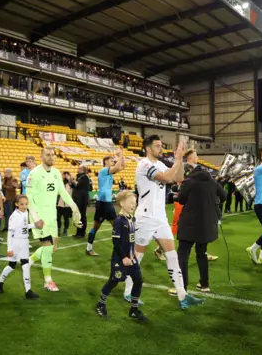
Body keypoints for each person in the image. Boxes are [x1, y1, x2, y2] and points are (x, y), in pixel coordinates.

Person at [122, 135, 203, 309]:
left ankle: (183, 296)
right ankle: (128, 291)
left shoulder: (160, 165)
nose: (161, 149)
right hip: (145, 218)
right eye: (158, 146)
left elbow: (179, 177)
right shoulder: (144, 165)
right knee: (137, 257)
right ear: (148, 148)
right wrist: (175, 163)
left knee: (172, 257)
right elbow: (167, 178)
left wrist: (179, 160)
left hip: (160, 218)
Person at [26, 147, 81, 292]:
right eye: (48, 155)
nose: (51, 157)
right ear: (41, 156)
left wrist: (74, 206)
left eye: (52, 155)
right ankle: (48, 281)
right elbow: (29, 198)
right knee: (48, 247)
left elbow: (62, 192)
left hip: (52, 215)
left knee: (52, 248)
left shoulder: (56, 173)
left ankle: (29, 261)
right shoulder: (34, 174)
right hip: (39, 216)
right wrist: (36, 218)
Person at [95, 190, 146, 321]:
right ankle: (100, 305)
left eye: (135, 203)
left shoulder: (132, 219)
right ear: (122, 203)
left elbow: (131, 238)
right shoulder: (119, 220)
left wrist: (133, 251)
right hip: (120, 258)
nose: (134, 205)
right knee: (113, 281)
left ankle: (134, 310)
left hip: (131, 258)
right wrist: (124, 257)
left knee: (138, 280)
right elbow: (116, 241)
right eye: (131, 203)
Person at [176, 161, 226, 293]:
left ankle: (182, 288)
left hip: (189, 224)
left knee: (182, 254)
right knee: (201, 254)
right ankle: (204, 284)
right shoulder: (212, 181)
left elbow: (181, 199)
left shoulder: (189, 181)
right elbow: (224, 196)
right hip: (206, 225)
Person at [0, 195, 41, 300]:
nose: (24, 206)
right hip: (16, 243)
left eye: (26, 204)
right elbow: (10, 233)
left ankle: (28, 291)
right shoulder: (14, 216)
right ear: (16, 204)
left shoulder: (25, 212)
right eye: (21, 204)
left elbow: (24, 226)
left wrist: (34, 225)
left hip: (24, 242)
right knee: (12, 265)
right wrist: (9, 248)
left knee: (25, 264)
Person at [87, 148, 125, 256]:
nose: (113, 161)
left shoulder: (109, 172)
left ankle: (89, 248)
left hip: (103, 202)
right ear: (105, 162)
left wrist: (121, 157)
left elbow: (122, 167)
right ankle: (120, 250)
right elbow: (118, 166)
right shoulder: (103, 170)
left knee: (99, 227)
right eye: (111, 160)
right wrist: (120, 155)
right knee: (116, 226)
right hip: (105, 203)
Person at [71, 165, 90, 239]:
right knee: (79, 216)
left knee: (82, 215)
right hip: (78, 199)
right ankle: (78, 232)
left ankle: (81, 233)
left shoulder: (84, 177)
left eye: (79, 168)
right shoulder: (79, 177)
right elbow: (75, 186)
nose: (78, 169)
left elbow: (78, 185)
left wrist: (73, 181)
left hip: (82, 199)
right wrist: (71, 182)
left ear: (83, 169)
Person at [57, 172, 73, 237]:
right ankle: (58, 229)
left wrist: (69, 179)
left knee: (66, 218)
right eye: (64, 175)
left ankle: (65, 230)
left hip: (67, 204)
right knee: (58, 217)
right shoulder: (60, 183)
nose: (65, 176)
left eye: (66, 175)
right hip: (60, 204)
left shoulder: (71, 184)